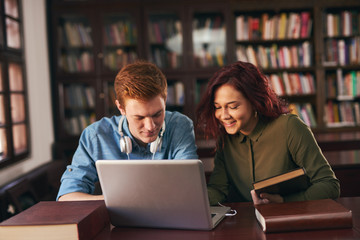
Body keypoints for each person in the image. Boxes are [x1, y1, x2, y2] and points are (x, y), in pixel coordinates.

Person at [196, 61, 340, 205]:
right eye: (217, 107)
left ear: (254, 101)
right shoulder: (225, 140)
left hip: (286, 220)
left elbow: (329, 185)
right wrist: (191, 201)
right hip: (245, 224)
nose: (223, 115)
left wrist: (285, 201)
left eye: (233, 106)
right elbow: (218, 189)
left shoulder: (289, 127)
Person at [57, 61, 198, 201]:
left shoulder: (180, 126)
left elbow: (189, 189)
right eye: (139, 117)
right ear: (121, 108)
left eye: (157, 114)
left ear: (165, 100)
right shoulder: (96, 136)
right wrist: (120, 202)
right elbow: (67, 197)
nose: (150, 126)